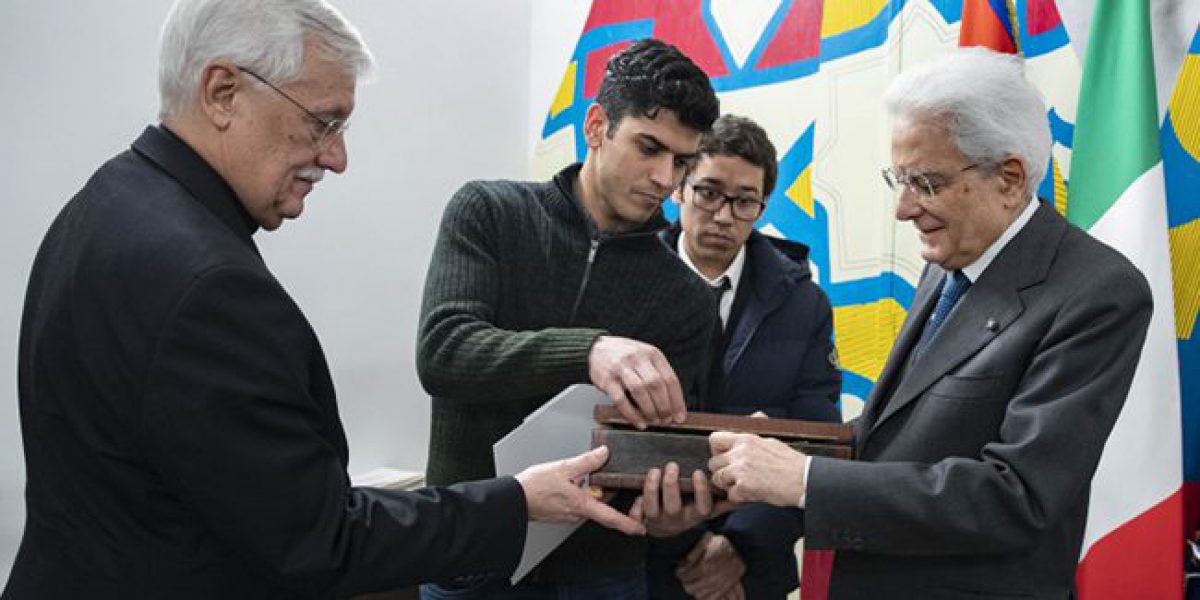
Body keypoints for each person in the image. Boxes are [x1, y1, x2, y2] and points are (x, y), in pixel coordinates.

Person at [4, 1, 644, 597]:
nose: (336, 157)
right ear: (223, 92)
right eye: (323, 120)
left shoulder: (102, 203)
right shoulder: (211, 288)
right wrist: (517, 502)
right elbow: (322, 540)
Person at [706, 48, 1154, 599]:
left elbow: (1015, 496)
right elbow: (899, 439)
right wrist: (782, 450)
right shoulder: (950, 261)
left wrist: (803, 480)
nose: (903, 207)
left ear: (1010, 179)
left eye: (925, 182)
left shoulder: (1097, 292)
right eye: (899, 178)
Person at [417, 38, 720, 598]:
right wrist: (590, 352)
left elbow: (663, 445)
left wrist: (671, 509)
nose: (664, 179)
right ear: (598, 125)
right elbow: (444, 351)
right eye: (648, 147)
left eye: (680, 161)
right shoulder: (488, 212)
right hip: (470, 551)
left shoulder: (687, 298)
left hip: (601, 571)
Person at [649, 114, 841, 599]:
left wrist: (736, 548)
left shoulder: (803, 303)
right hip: (639, 561)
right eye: (709, 192)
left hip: (752, 571)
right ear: (679, 188)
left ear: (762, 205)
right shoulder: (631, 282)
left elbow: (815, 443)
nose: (723, 215)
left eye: (745, 201)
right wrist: (685, 542)